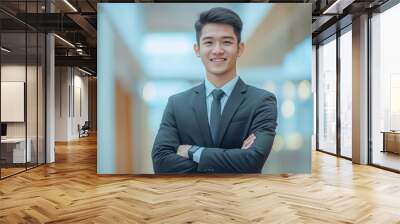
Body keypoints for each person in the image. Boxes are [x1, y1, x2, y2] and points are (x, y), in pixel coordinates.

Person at [152, 7, 277, 173]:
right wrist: (236, 160)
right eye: (209, 42)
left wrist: (192, 151)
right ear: (197, 49)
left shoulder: (262, 101)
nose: (217, 50)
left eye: (226, 42)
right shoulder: (177, 103)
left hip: (242, 195)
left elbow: (253, 161)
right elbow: (161, 162)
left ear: (240, 48)